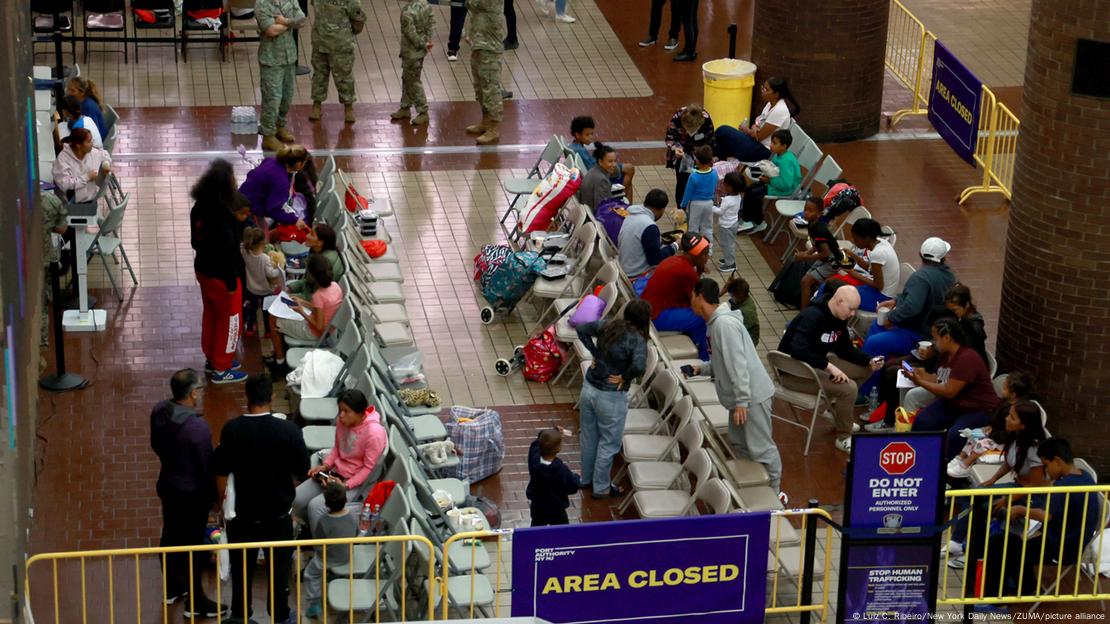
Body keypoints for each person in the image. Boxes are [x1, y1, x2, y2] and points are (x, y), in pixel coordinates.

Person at [213, 374, 309, 624]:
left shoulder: (232, 429)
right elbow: (301, 470)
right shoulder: (288, 430)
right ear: (272, 397)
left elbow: (221, 472)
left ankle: (240, 616)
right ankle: (280, 615)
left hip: (242, 519)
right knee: (279, 572)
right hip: (277, 518)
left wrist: (222, 506)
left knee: (241, 570)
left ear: (247, 398)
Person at [960, 438, 1098, 602]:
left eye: (1046, 466)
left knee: (1000, 543)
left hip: (1062, 549)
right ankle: (1027, 586)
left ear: (1057, 461)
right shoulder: (1084, 476)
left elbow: (1046, 515)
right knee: (1013, 539)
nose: (1046, 471)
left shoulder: (1065, 486)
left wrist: (1022, 510)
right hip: (1071, 540)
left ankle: (994, 600)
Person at [687, 279, 783, 493]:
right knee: (741, 446)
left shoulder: (723, 325)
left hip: (751, 397)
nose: (690, 301)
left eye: (692, 296)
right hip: (742, 397)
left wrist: (742, 401)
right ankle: (754, 488)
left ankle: (776, 493)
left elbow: (738, 365)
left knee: (761, 448)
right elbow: (723, 362)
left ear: (700, 297)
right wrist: (700, 369)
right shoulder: (715, 324)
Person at [150, 369, 229, 618]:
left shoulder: (159, 411)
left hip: (168, 487)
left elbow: (156, 445)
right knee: (193, 545)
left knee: (170, 536)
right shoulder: (197, 428)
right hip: (192, 496)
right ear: (193, 393)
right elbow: (207, 467)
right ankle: (196, 602)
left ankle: (172, 588)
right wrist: (215, 499)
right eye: (201, 389)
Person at [779, 284, 882, 453]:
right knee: (848, 389)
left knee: (865, 370)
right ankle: (843, 437)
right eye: (851, 309)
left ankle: (836, 412)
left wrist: (868, 360)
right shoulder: (812, 316)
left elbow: (844, 349)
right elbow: (799, 349)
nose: (853, 314)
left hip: (815, 365)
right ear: (839, 301)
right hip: (794, 372)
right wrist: (830, 368)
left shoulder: (839, 318)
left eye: (855, 310)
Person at [575, 300, 651, 499]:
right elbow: (639, 366)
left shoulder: (608, 325)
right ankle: (601, 488)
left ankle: (586, 479)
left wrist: (594, 353)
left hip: (589, 388)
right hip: (610, 396)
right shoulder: (637, 339)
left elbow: (582, 328)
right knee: (608, 443)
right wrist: (625, 376)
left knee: (589, 436)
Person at [906, 318, 1000, 462]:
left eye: (936, 339)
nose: (933, 343)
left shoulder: (967, 358)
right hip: (955, 404)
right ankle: (917, 456)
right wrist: (921, 374)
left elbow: (949, 390)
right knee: (923, 420)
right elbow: (941, 379)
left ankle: (946, 469)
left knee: (955, 434)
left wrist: (920, 382)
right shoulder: (946, 355)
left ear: (947, 338)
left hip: (978, 409)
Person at [191, 161, 249, 383]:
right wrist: (233, 281)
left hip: (203, 270)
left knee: (212, 314)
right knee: (230, 319)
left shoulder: (199, 206)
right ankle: (222, 368)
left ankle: (212, 357)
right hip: (224, 276)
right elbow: (228, 249)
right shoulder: (223, 213)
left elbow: (195, 242)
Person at [297, 389, 386, 529]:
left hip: (354, 483)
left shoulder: (374, 434)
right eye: (340, 410)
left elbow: (368, 468)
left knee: (315, 507)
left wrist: (345, 485)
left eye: (346, 411)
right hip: (335, 473)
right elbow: (337, 449)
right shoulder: (342, 421)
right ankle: (316, 529)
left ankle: (321, 546)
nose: (341, 416)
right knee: (297, 499)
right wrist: (325, 466)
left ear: (360, 413)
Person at [863, 237, 957, 358]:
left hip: (918, 333)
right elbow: (917, 296)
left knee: (874, 343)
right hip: (929, 330)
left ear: (920, 255)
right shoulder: (949, 275)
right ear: (944, 257)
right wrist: (896, 301)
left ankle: (870, 373)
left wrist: (891, 317)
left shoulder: (921, 278)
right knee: (877, 327)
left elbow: (912, 307)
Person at [640, 232, 712, 360]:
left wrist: (699, 269)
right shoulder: (687, 271)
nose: (707, 258)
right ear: (693, 255)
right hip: (655, 317)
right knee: (701, 318)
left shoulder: (674, 260)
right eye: (705, 254)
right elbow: (699, 302)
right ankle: (704, 358)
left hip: (647, 310)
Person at [267, 254, 344, 370]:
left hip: (313, 333)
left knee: (272, 318)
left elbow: (318, 326)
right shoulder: (335, 286)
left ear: (312, 276)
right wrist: (303, 302)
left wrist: (301, 311)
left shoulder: (318, 296)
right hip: (329, 330)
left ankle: (279, 361)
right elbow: (323, 308)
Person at [256, 0, 306, 152]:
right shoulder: (262, 4)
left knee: (286, 96)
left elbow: (302, 19)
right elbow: (270, 30)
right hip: (271, 59)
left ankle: (280, 125)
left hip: (289, 56)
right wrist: (291, 23)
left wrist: (284, 21)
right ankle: (268, 135)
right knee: (272, 98)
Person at [302, 481, 358, 619]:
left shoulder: (323, 520)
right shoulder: (353, 515)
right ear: (346, 499)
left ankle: (314, 603)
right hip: (347, 555)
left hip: (327, 559)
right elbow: (355, 532)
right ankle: (334, 575)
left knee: (310, 575)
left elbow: (318, 541)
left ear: (326, 504)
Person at [715, 77, 799, 164]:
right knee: (723, 141)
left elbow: (760, 136)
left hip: (764, 151)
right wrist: (754, 129)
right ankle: (720, 166)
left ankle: (716, 165)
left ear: (776, 94)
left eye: (766, 89)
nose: (762, 91)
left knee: (722, 131)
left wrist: (746, 129)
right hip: (756, 142)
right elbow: (757, 124)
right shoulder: (770, 104)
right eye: (763, 87)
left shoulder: (779, 110)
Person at [307, 0, 365, 124]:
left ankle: (348, 108)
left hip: (341, 45)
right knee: (319, 76)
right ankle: (316, 105)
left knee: (344, 78)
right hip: (320, 42)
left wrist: (345, 34)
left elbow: (358, 20)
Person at [739, 128, 801, 235]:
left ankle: (758, 222)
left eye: (774, 143)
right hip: (774, 183)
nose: (771, 145)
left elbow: (786, 185)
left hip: (784, 189)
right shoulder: (779, 154)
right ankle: (747, 218)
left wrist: (769, 180)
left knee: (755, 194)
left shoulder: (786, 161)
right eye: (772, 142)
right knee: (749, 189)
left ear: (784, 146)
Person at [238, 144, 311, 230]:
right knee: (261, 240)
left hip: (240, 199)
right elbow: (273, 210)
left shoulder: (270, 161)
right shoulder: (281, 182)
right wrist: (295, 220)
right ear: (299, 164)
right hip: (249, 211)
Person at [463, 0, 505, 145]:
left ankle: (493, 129)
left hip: (490, 48)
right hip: (479, 44)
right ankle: (485, 121)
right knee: (480, 87)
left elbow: (473, 3)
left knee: (490, 88)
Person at [794, 194, 843, 309]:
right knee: (806, 281)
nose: (806, 212)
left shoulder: (819, 230)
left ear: (819, 214)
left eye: (810, 211)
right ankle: (810, 305)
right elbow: (816, 245)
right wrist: (807, 253)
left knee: (806, 282)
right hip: (825, 259)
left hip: (833, 261)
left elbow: (825, 253)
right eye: (805, 209)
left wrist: (804, 258)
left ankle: (804, 313)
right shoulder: (811, 225)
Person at [841, 218, 900, 312]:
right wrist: (852, 255)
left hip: (881, 297)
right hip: (882, 292)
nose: (855, 243)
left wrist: (853, 273)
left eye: (856, 240)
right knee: (841, 289)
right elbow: (871, 269)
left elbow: (878, 285)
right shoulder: (881, 242)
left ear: (867, 238)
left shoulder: (877, 253)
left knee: (842, 297)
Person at [568, 116, 635, 199]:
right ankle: (621, 197)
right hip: (600, 175)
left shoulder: (573, 147)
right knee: (630, 169)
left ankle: (625, 203)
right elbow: (593, 168)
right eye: (587, 134)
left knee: (628, 176)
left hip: (596, 174)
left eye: (592, 134)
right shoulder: (580, 150)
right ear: (577, 134)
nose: (591, 137)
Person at [617, 189, 678, 280]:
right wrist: (675, 246)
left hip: (623, 267)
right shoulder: (649, 226)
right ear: (662, 209)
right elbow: (655, 260)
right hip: (635, 275)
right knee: (675, 268)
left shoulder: (631, 214)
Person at [391, 0, 434, 126]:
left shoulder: (407, 11)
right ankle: (405, 107)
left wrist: (421, 44)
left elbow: (410, 33)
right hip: (420, 51)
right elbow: (432, 23)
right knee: (407, 78)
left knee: (413, 81)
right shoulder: (426, 5)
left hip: (411, 51)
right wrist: (427, 42)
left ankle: (423, 111)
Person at [526, 428, 582, 526]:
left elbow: (535, 444)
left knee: (537, 526)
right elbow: (571, 486)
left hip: (538, 505)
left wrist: (551, 431)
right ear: (558, 448)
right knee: (561, 531)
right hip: (557, 507)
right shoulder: (561, 469)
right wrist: (577, 478)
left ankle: (535, 540)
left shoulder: (534, 461)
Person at [665, 104, 715, 207]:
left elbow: (710, 140)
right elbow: (670, 138)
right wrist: (675, 149)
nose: (691, 132)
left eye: (694, 129)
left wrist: (704, 155)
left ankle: (696, 202)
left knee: (699, 178)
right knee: (682, 181)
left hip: (699, 153)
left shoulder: (706, 120)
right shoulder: (676, 118)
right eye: (688, 128)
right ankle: (681, 207)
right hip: (681, 152)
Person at [240, 227, 284, 337]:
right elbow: (271, 274)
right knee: (266, 310)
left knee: (252, 309)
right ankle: (268, 331)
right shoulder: (264, 258)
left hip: (251, 288)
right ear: (262, 244)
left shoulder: (245, 252)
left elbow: (241, 245)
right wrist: (279, 267)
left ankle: (250, 328)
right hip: (265, 290)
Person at [39, 192, 69, 350]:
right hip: (40, 260)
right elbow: (63, 228)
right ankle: (40, 346)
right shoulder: (48, 200)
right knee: (41, 304)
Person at [52, 128, 111, 204]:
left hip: (92, 199)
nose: (92, 143)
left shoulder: (92, 152)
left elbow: (105, 155)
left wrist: (105, 165)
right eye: (89, 141)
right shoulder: (63, 159)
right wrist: (87, 177)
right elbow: (65, 184)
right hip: (72, 203)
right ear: (78, 145)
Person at [286, 222, 344, 297]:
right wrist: (290, 288)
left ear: (320, 242)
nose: (307, 236)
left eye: (311, 234)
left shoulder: (323, 263)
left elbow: (316, 297)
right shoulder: (317, 252)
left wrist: (292, 297)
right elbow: (308, 282)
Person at [681, 145, 718, 251]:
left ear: (697, 160)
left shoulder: (693, 176)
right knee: (707, 227)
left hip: (695, 204)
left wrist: (683, 205)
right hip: (709, 203)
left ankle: (693, 248)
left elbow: (687, 193)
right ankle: (709, 249)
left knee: (693, 227)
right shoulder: (714, 173)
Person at [943, 283, 989, 366]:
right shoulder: (960, 318)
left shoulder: (973, 328)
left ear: (967, 305)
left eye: (954, 310)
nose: (951, 314)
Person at [714, 171, 745, 273]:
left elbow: (720, 211)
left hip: (726, 226)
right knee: (729, 243)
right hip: (733, 224)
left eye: (725, 183)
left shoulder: (728, 200)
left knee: (727, 244)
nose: (723, 185)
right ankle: (728, 260)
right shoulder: (738, 196)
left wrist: (710, 206)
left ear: (730, 187)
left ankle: (730, 264)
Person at [577, 144, 619, 213]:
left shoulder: (594, 170)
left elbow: (616, 173)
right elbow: (602, 208)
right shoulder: (601, 180)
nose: (614, 164)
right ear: (600, 161)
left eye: (615, 161)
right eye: (610, 161)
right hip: (594, 216)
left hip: (586, 209)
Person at [725, 275, 760, 346]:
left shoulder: (746, 311)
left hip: (748, 342)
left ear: (740, 296)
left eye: (732, 296)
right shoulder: (745, 299)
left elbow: (737, 331)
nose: (731, 298)